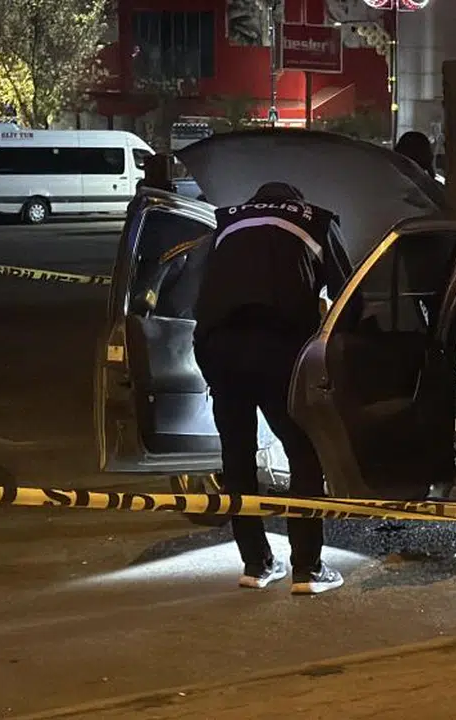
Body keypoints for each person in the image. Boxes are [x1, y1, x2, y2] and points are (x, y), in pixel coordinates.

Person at [192, 181, 351, 594]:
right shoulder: (316, 221)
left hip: (217, 346)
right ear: (296, 201)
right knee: (304, 452)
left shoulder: (225, 223)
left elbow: (200, 291)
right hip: (278, 348)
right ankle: (308, 569)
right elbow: (348, 296)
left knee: (237, 458)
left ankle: (256, 564)